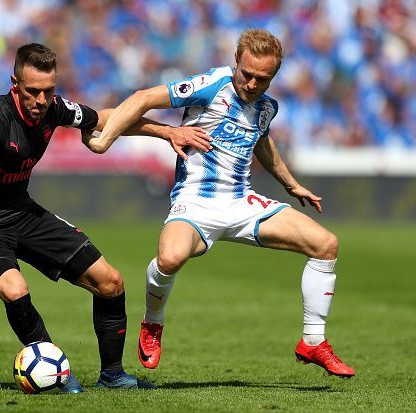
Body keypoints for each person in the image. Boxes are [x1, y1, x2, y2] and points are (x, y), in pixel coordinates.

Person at [0, 43, 211, 392]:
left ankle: (113, 375)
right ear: (14, 84)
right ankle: (57, 376)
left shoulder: (55, 108)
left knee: (110, 282)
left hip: (23, 212)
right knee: (15, 290)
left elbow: (110, 118)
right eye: (32, 92)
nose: (41, 100)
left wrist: (167, 131)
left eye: (49, 91)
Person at [86, 28, 355, 378]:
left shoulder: (266, 108)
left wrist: (291, 184)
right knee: (169, 258)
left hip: (241, 202)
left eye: (263, 78)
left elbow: (262, 143)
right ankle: (153, 323)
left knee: (326, 245)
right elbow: (142, 98)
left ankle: (313, 341)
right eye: (247, 75)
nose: (253, 84)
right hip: (195, 201)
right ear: (235, 64)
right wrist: (105, 139)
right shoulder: (213, 84)